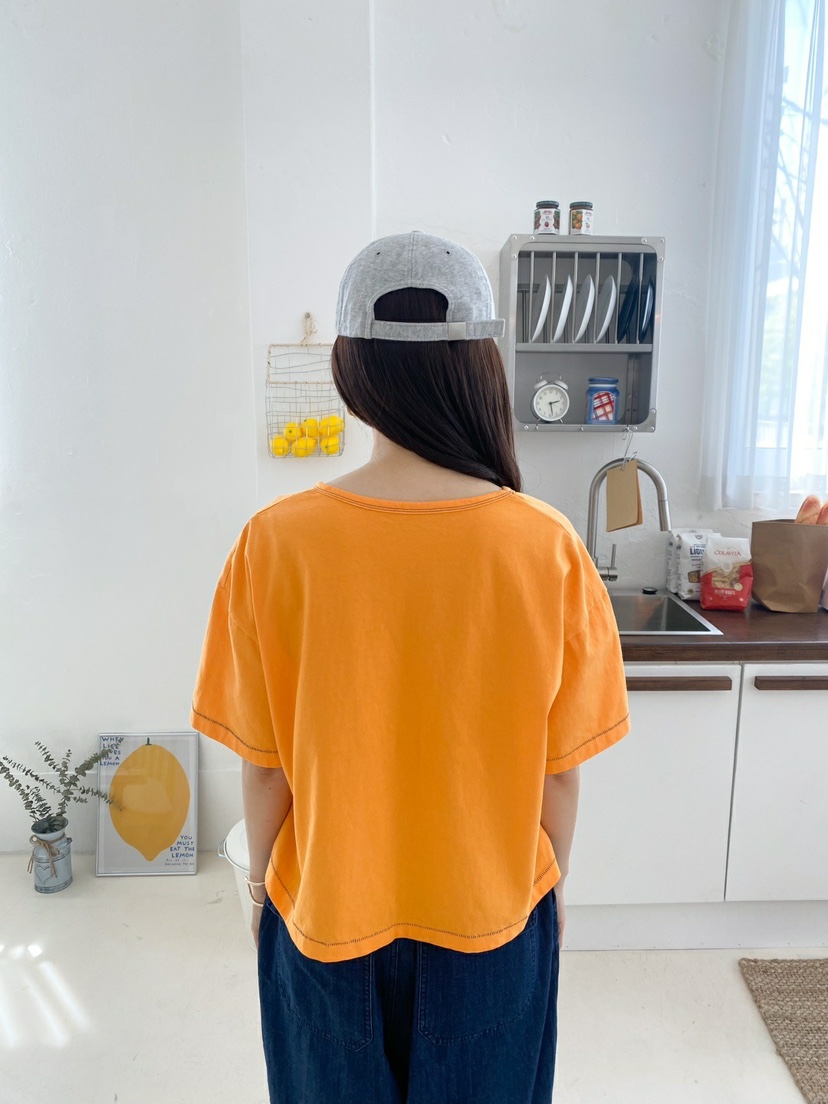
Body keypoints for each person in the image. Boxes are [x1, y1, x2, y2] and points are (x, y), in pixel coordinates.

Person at [190, 230, 630, 1104]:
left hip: (325, 920)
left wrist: (261, 890)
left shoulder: (274, 543)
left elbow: (267, 769)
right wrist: (548, 889)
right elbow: (559, 775)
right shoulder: (546, 546)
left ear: (350, 370)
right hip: (492, 922)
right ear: (481, 365)